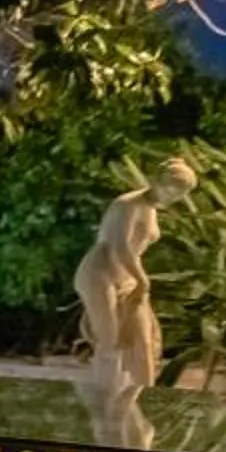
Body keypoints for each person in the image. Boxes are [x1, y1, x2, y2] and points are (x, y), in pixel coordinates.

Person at [77, 158, 198, 392]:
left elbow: (134, 250)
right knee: (111, 340)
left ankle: (140, 396)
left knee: (142, 337)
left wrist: (137, 280)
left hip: (126, 276)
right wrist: (143, 279)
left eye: (181, 194)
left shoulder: (150, 209)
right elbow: (120, 247)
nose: (175, 198)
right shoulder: (127, 204)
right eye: (172, 190)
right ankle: (106, 401)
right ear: (157, 182)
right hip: (100, 273)